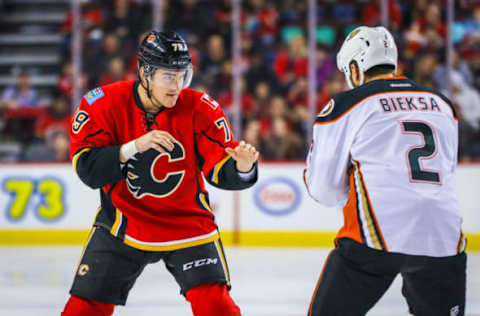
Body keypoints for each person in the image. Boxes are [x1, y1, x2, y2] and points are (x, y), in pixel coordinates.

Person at [61, 30, 259, 316]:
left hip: (188, 225)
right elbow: (88, 170)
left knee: (217, 307)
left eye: (182, 76)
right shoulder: (102, 104)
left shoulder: (200, 108)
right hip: (123, 223)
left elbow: (220, 170)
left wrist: (242, 166)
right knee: (83, 309)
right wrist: (131, 148)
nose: (176, 86)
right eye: (168, 76)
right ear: (144, 73)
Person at [304, 26, 466, 316]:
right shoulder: (443, 104)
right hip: (442, 234)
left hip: (377, 235)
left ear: (355, 68)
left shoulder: (346, 105)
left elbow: (323, 189)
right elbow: (447, 169)